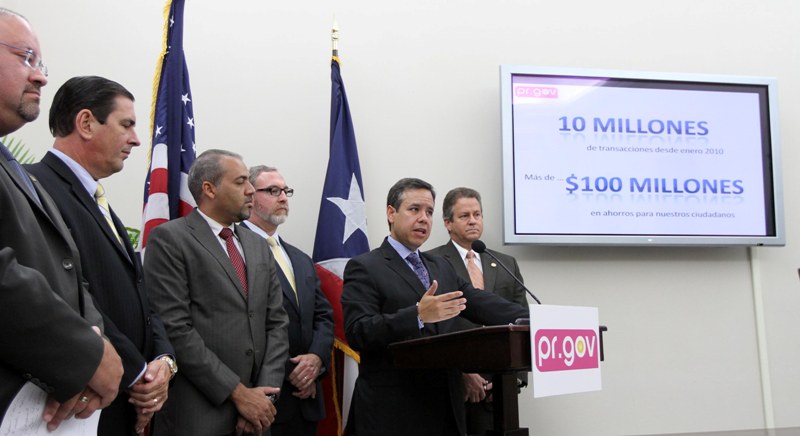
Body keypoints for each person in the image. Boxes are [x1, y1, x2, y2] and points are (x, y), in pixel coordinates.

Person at [27, 75, 176, 435]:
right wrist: (137, 373)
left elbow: (139, 294)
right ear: (86, 123)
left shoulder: (98, 200)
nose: (136, 139)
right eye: (126, 124)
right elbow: (67, 294)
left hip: (123, 403)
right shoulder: (35, 189)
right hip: (84, 403)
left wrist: (163, 360)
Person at [0, 7, 122, 431]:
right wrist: (86, 357)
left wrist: (95, 344)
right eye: (25, 58)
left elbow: (73, 276)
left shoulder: (19, 173)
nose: (40, 77)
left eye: (42, 64)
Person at [341, 177, 529, 436]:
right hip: (394, 412)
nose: (424, 218)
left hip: (446, 409)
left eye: (429, 212)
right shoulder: (365, 266)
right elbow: (358, 332)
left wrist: (538, 317)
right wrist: (417, 315)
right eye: (414, 209)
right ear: (391, 213)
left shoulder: (440, 265)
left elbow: (481, 303)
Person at [144, 149, 289, 436]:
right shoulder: (171, 239)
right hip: (198, 416)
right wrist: (239, 394)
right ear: (209, 189)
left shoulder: (258, 245)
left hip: (258, 416)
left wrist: (264, 396)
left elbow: (277, 323)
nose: (250, 190)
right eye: (240, 182)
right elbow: (176, 328)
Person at [427, 187, 529, 436]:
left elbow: (522, 320)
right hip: (455, 385)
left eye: (477, 214)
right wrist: (462, 374)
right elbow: (433, 328)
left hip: (501, 386)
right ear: (448, 223)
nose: (473, 220)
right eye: (464, 216)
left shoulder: (505, 263)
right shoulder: (432, 262)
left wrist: (513, 378)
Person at [243, 165, 334, 436]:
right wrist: (293, 372)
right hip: (260, 398)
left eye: (286, 191)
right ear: (249, 196)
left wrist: (316, 360)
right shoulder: (234, 249)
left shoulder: (300, 258)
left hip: (305, 401)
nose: (283, 197)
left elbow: (323, 315)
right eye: (273, 191)